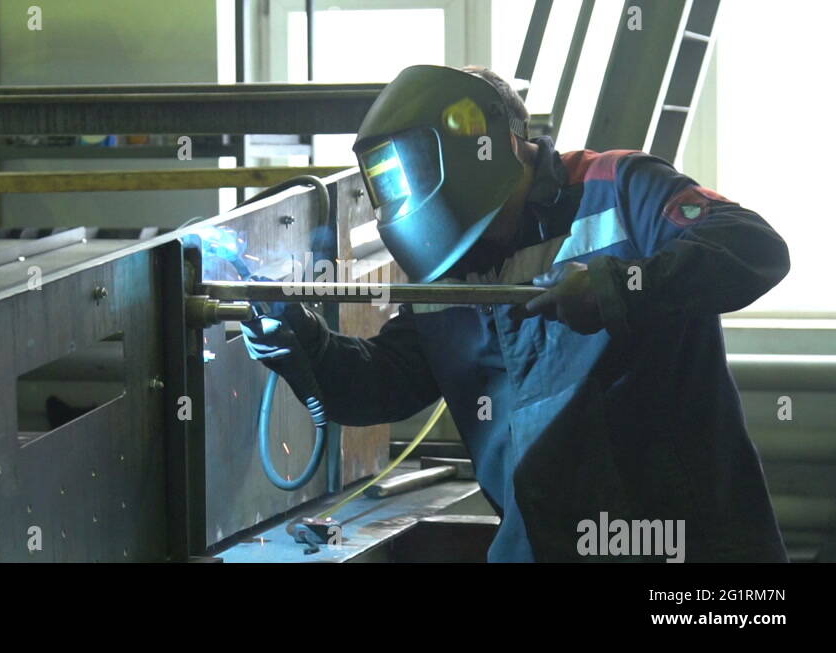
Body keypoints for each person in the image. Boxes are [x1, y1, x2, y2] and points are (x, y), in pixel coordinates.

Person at [241, 64, 790, 562]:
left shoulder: (619, 189)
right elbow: (386, 383)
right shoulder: (449, 260)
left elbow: (754, 248)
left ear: (496, 146)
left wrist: (619, 288)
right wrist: (303, 344)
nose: (476, 257)